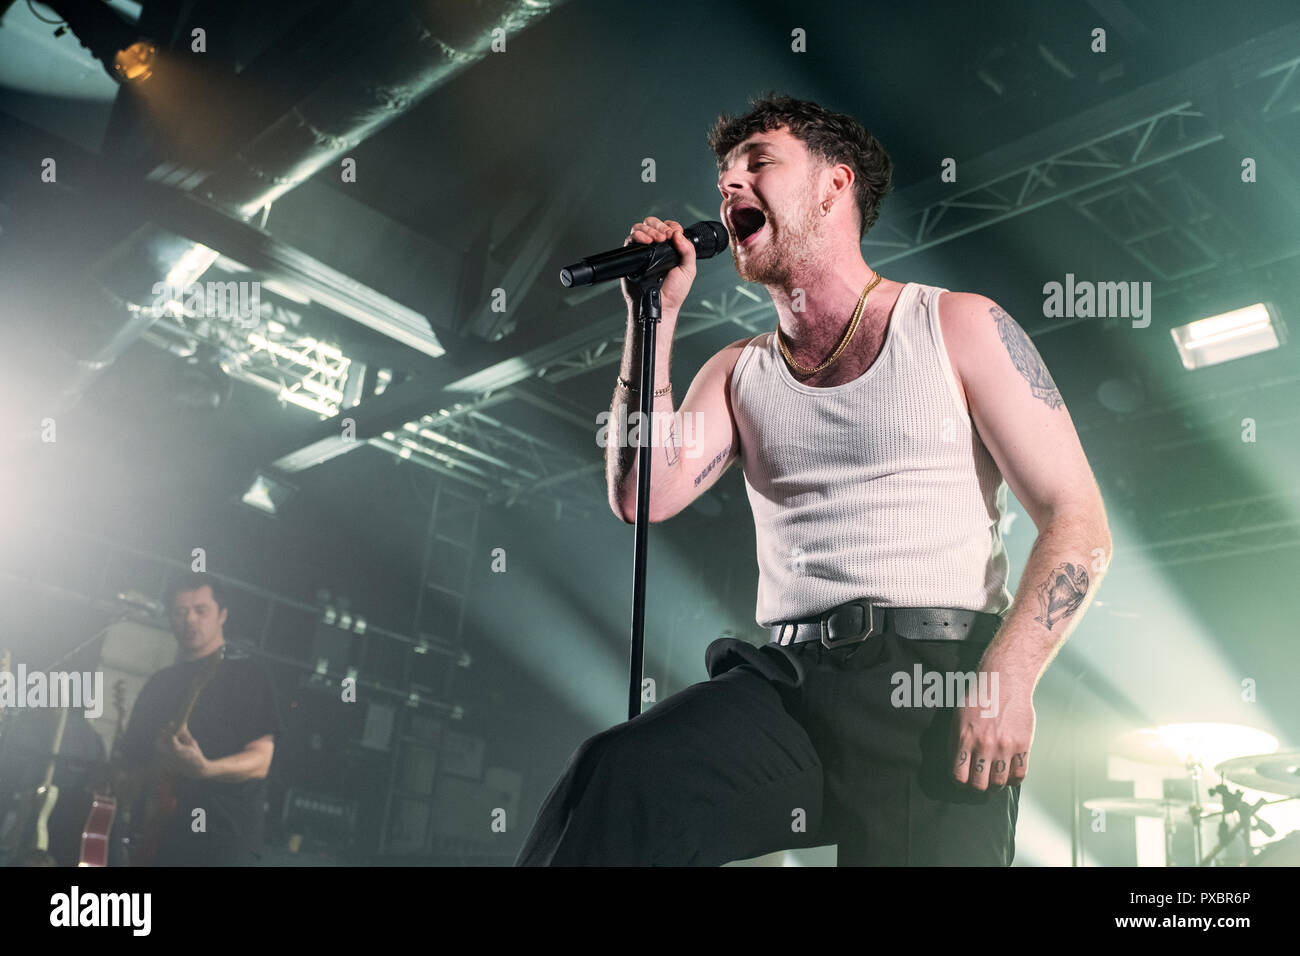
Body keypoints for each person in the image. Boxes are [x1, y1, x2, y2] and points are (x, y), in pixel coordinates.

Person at [516, 93, 1112, 866]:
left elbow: (1078, 522)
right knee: (618, 773)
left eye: (758, 163)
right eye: (723, 176)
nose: (730, 188)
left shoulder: (955, 324)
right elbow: (641, 495)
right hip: (790, 682)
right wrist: (648, 321)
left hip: (929, 685)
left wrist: (1008, 678)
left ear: (835, 184)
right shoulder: (739, 372)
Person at [119, 573, 281, 865]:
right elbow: (132, 765)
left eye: (201, 610)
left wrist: (206, 769)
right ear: (169, 618)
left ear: (223, 615)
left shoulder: (247, 675)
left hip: (223, 842)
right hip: (157, 839)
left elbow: (261, 760)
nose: (190, 620)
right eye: (180, 612)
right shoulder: (158, 684)